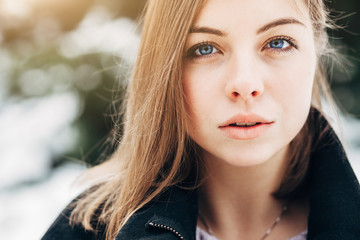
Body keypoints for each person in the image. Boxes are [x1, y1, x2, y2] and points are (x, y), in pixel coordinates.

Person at [42, 0, 360, 239]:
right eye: (205, 48)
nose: (245, 83)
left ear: (316, 50)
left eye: (278, 42)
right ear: (164, 67)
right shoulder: (88, 229)